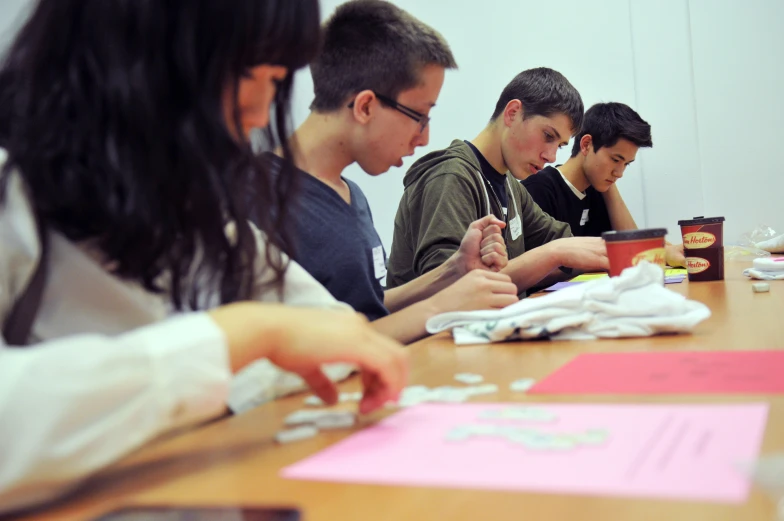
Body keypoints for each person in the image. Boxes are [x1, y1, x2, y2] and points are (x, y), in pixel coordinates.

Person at [0, 0, 407, 514]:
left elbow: (329, 329)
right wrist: (241, 338)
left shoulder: (190, 206)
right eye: (248, 72)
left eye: (278, 78)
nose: (261, 113)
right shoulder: (13, 191)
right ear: (139, 55)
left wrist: (241, 353)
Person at [263, 0, 518, 344]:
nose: (424, 137)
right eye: (420, 116)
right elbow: (294, 352)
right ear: (366, 106)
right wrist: (439, 306)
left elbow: (366, 309)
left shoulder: (351, 194)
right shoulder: (258, 200)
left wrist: (454, 270)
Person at [387, 68, 609, 295]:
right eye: (548, 136)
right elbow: (449, 293)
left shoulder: (511, 185)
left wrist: (618, 252)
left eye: (559, 145)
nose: (551, 157)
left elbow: (563, 241)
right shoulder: (449, 177)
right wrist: (553, 253)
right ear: (513, 113)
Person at [522, 102, 685, 266]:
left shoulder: (599, 188)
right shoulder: (538, 188)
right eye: (615, 160)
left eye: (626, 164)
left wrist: (609, 186)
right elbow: (541, 267)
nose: (620, 173)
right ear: (586, 145)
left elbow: (634, 242)